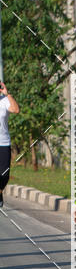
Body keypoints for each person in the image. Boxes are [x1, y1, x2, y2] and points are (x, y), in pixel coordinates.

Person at [0, 80, 20, 209]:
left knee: (5, 175)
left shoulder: (5, 100)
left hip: (3, 142)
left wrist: (7, 94)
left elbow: (15, 110)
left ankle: (0, 191)